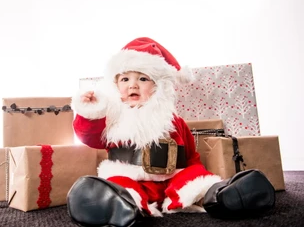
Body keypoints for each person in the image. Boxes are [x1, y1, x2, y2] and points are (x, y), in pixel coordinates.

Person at [67, 37, 222, 226]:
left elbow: (190, 154)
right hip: (134, 181)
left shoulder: (173, 120)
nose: (133, 85)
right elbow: (90, 137)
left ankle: (224, 197)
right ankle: (118, 207)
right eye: (125, 79)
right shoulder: (113, 119)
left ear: (158, 86)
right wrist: (91, 113)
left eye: (142, 79)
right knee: (120, 186)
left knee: (196, 180)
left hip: (172, 180)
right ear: (116, 86)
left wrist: (198, 173)